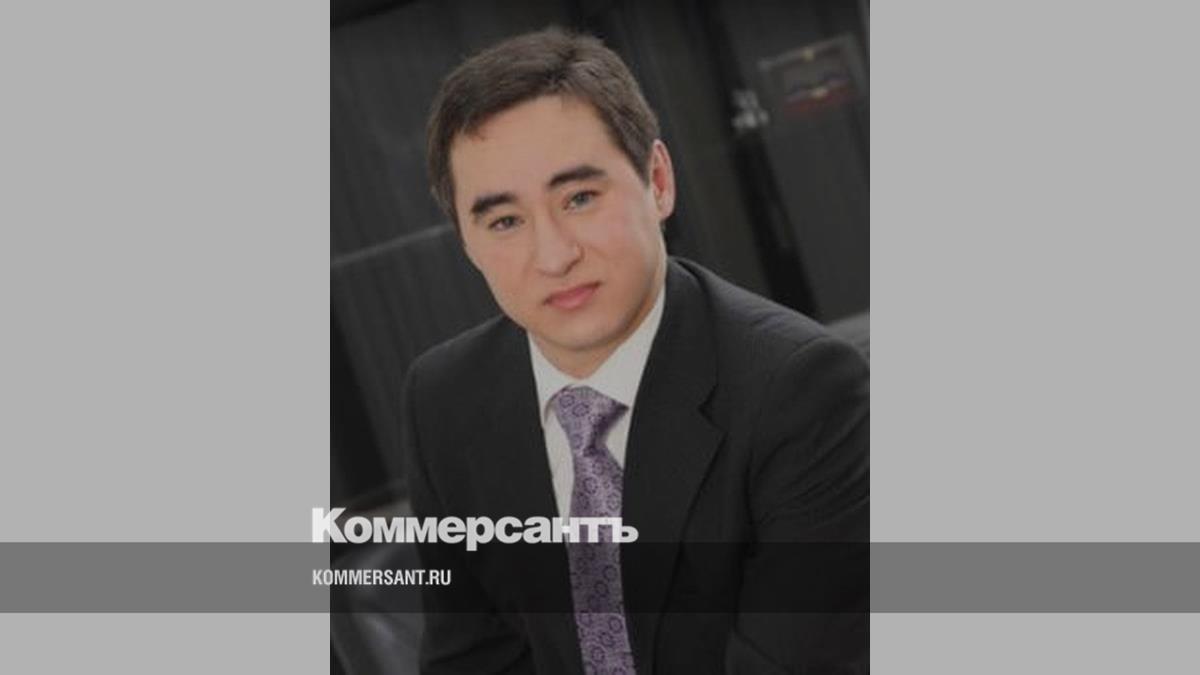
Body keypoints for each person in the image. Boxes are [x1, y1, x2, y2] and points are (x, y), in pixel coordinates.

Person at [403, 27, 868, 675]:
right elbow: (472, 659)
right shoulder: (445, 397)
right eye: (505, 221)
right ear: (466, 242)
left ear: (658, 181)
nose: (553, 255)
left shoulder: (803, 392)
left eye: (580, 198)